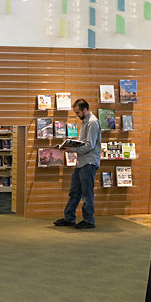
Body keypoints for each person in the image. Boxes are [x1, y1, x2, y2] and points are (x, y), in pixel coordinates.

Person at [54, 98, 101, 229]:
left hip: (89, 163)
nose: (77, 115)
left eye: (78, 113)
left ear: (85, 110)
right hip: (81, 163)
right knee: (74, 192)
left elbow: (90, 146)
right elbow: (84, 143)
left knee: (87, 193)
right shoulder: (85, 122)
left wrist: (72, 149)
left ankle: (89, 220)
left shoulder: (92, 122)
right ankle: (69, 218)